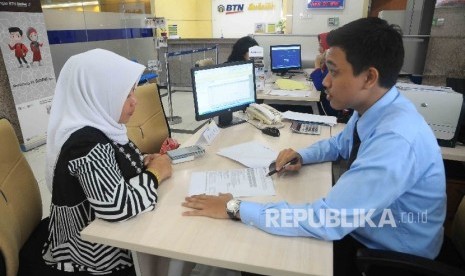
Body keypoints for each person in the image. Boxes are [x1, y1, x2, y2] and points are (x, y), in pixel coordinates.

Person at [182, 17, 446, 276]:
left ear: (368, 77)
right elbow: (339, 144)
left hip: (388, 257)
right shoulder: (374, 107)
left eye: (333, 70)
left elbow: (327, 220)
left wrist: (235, 207)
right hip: (366, 229)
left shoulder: (395, 141)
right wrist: (302, 155)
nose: (326, 81)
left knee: (261, 252)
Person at [43, 49, 174, 275]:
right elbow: (117, 207)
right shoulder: (84, 143)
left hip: (114, 234)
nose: (135, 103)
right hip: (92, 253)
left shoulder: (103, 126)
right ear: (97, 93)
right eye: (126, 95)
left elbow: (114, 163)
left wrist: (143, 162)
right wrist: (155, 174)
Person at [311, 32, 353, 122]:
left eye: (321, 45)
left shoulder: (335, 64)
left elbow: (320, 85)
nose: (319, 49)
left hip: (331, 110)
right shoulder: (327, 63)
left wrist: (317, 64)